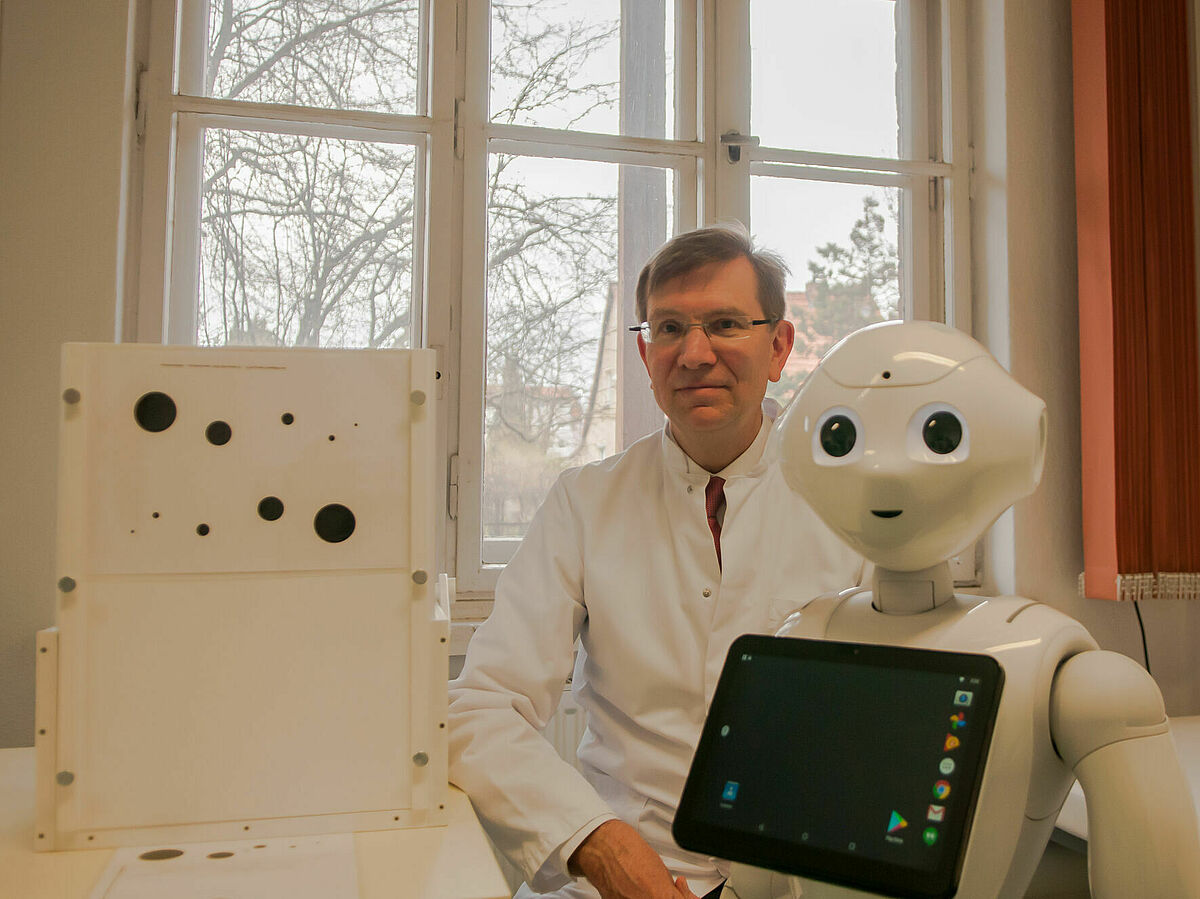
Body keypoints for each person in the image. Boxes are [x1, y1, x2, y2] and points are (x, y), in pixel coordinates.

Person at [448, 224, 862, 899]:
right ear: (646, 353)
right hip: (615, 871)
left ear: (779, 346)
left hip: (805, 874)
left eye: (725, 324)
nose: (695, 354)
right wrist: (598, 844)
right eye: (669, 328)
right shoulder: (585, 502)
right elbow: (480, 706)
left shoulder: (854, 504)